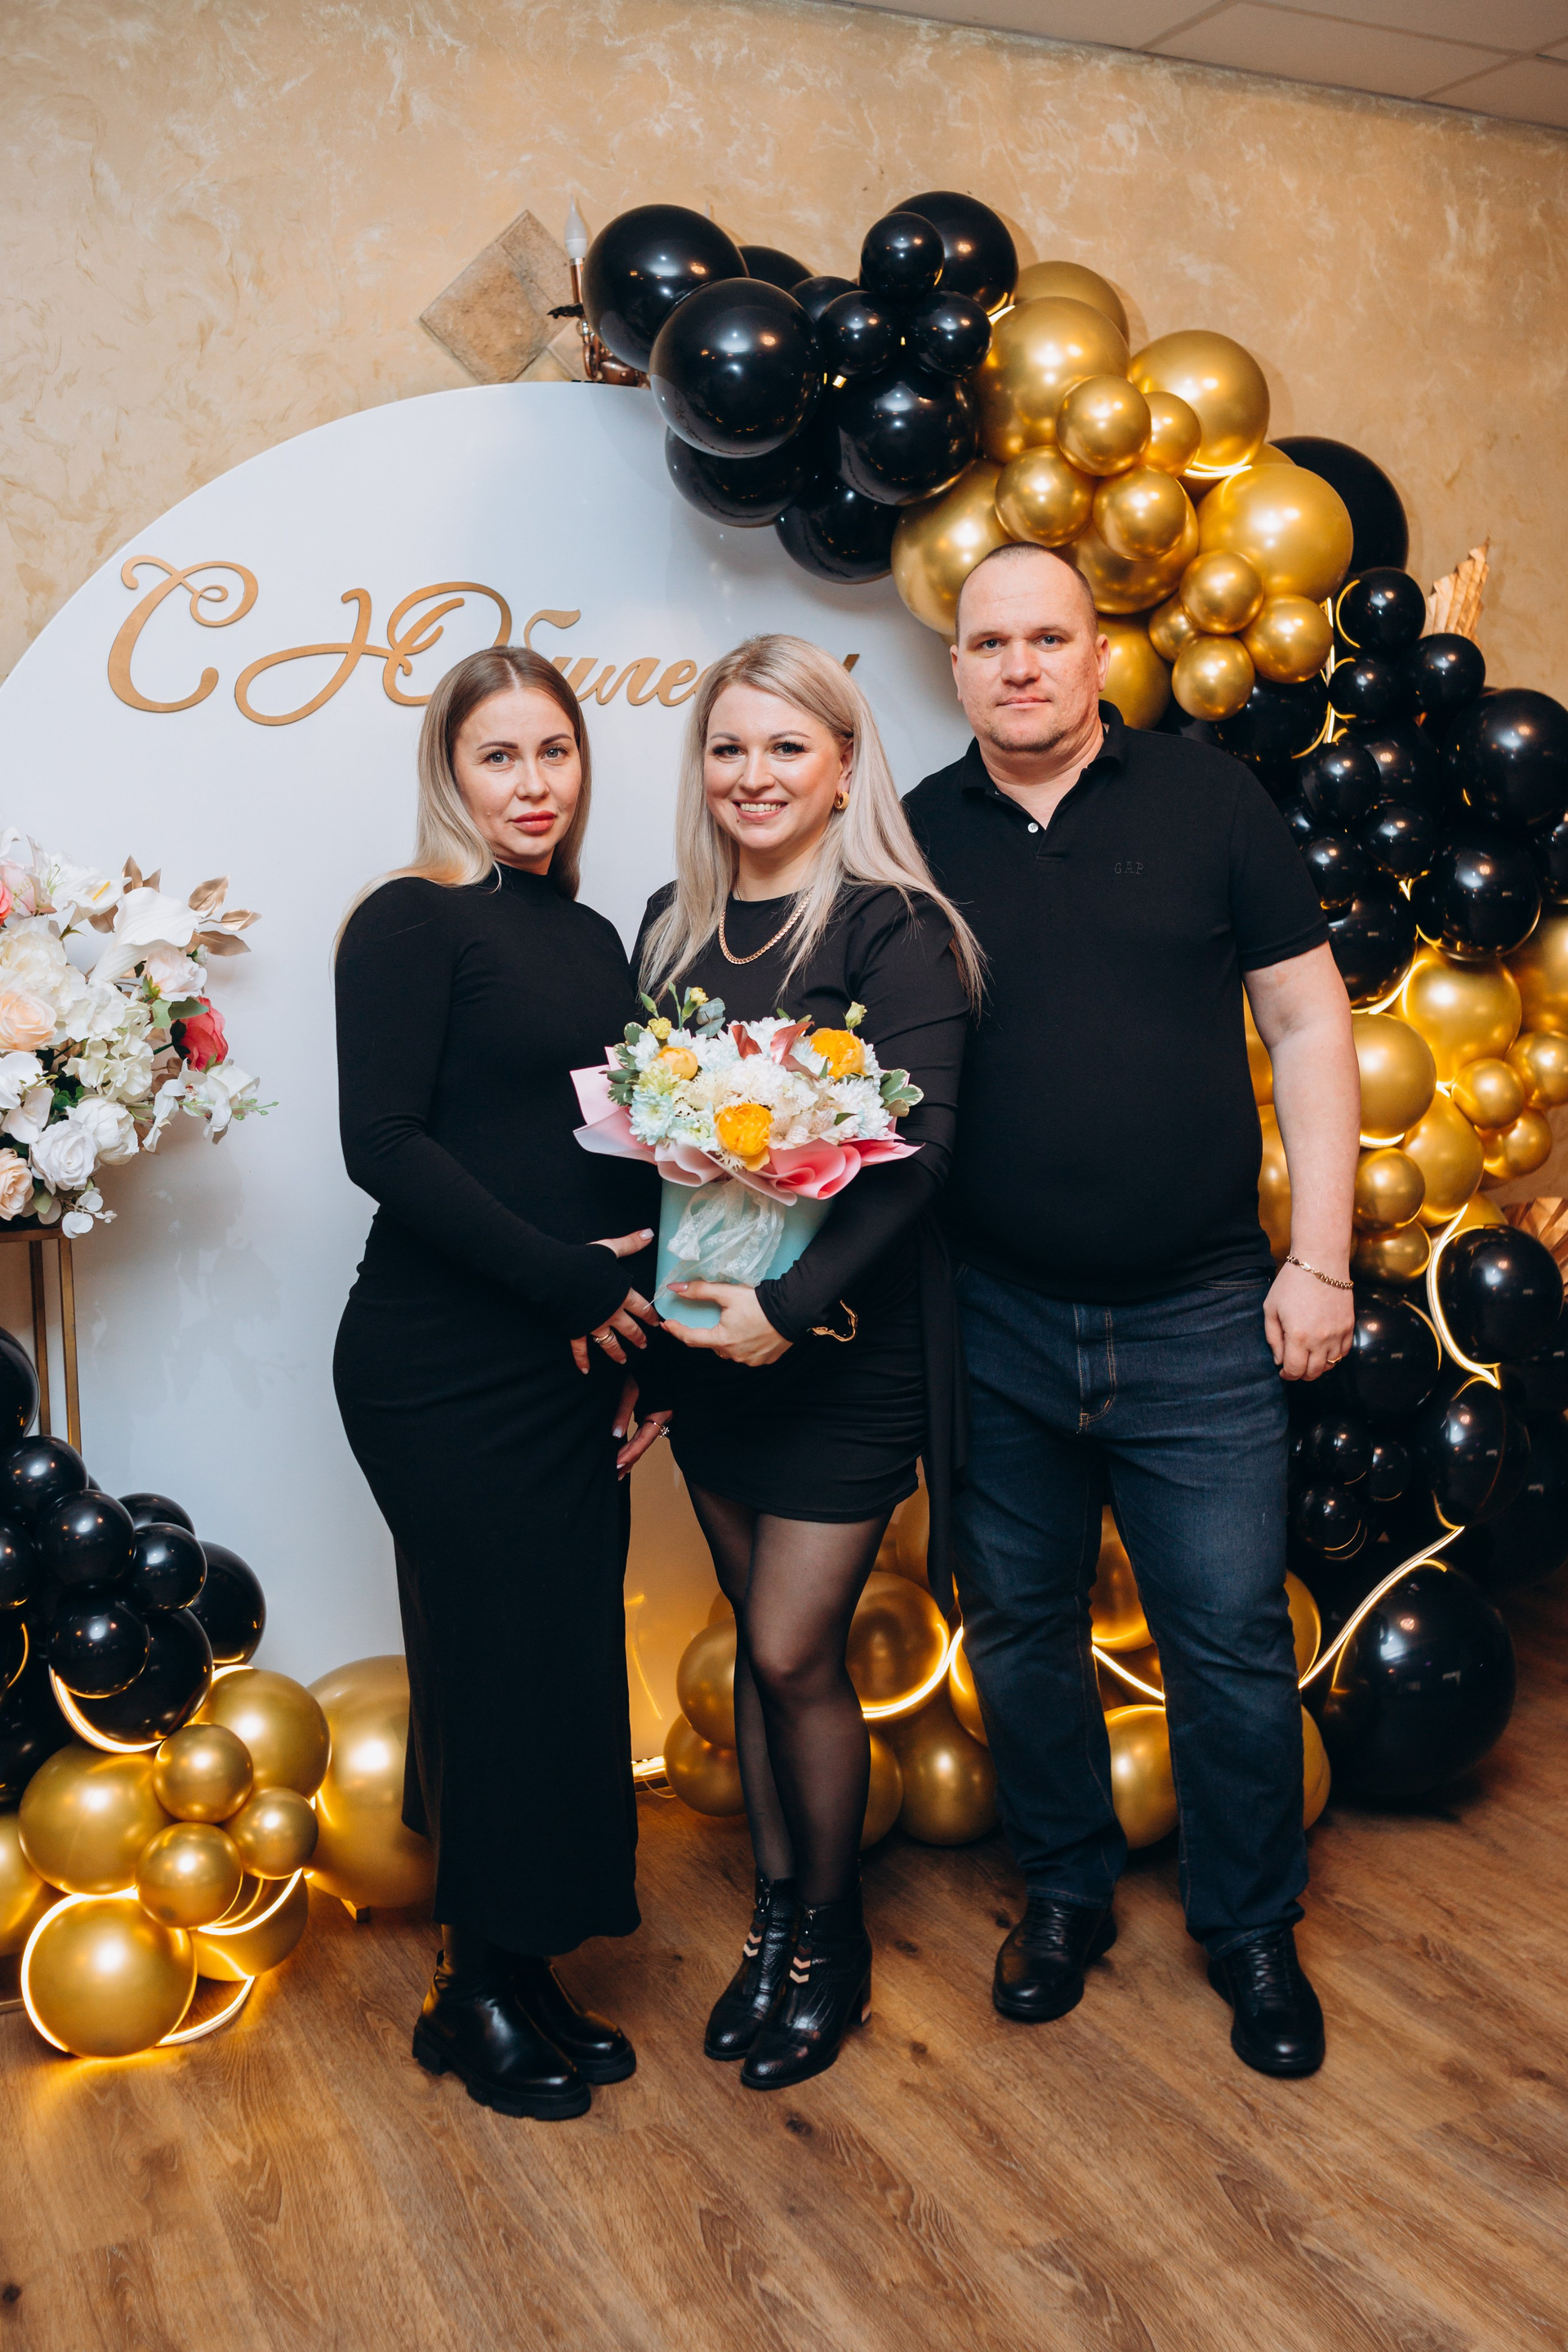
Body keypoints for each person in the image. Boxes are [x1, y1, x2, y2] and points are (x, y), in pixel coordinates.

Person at [904, 542, 1358, 2079]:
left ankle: (1251, 1929)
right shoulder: (912, 835)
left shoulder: (1209, 800)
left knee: (1227, 1643)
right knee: (1019, 1635)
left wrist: (1321, 1257)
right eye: (990, 644)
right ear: (956, 668)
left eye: (1049, 638)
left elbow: (1307, 1021)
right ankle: (1065, 1894)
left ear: (1099, 655)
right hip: (992, 1316)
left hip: (1201, 1314)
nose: (1020, 666)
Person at [636, 634, 980, 2091]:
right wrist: (659, 1343)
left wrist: (792, 1306)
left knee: (791, 1651)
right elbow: (659, 1161)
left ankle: (830, 1943)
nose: (754, 774)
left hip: (845, 1351)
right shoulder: (671, 927)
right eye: (729, 747)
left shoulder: (898, 928)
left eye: (787, 746)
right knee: (753, 1643)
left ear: (844, 767)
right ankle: (772, 1925)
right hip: (712, 1349)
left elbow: (921, 1160)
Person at [332, 646, 671, 2122]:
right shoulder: (410, 920)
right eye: (499, 757)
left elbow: (614, 1150)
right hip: (438, 1363)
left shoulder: (591, 935)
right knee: (488, 1663)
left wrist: (641, 1337)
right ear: (450, 772)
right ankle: (470, 1991)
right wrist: (571, 1283)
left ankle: (519, 1968)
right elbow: (384, 1146)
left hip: (568, 1362)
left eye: (555, 753)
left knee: (556, 1663)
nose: (533, 786)